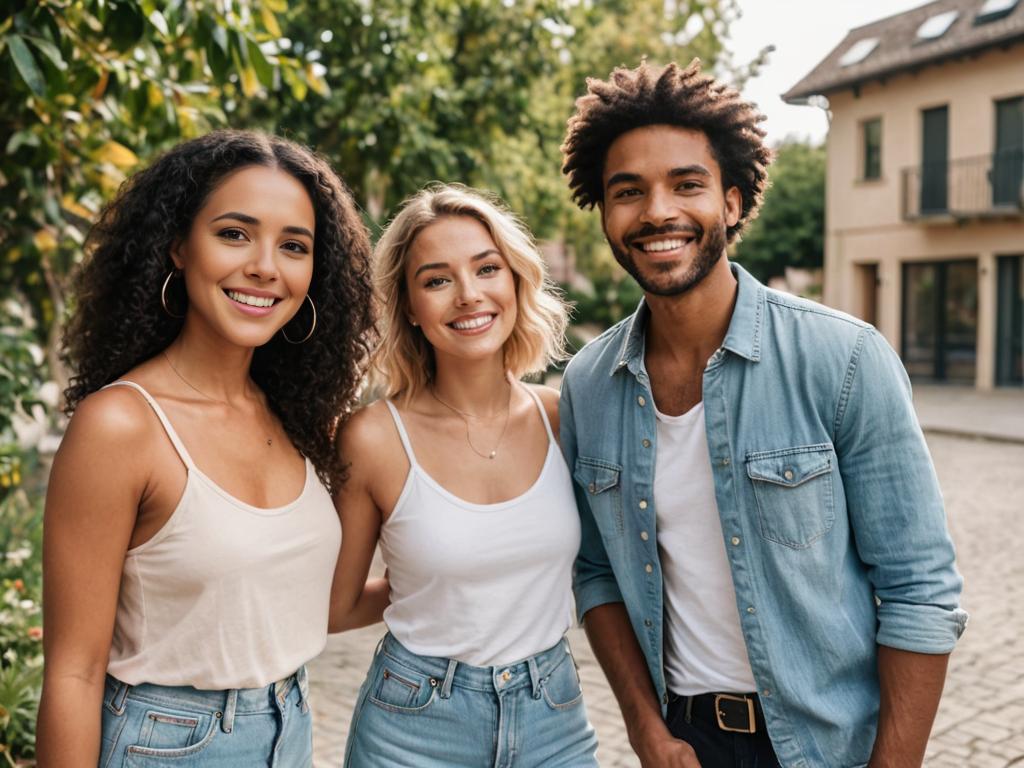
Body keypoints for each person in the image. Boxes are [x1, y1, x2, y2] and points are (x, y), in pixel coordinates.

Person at [558, 60, 967, 768]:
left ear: (734, 202)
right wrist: (646, 730)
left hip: (828, 746)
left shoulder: (842, 359)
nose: (658, 212)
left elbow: (919, 590)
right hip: (684, 742)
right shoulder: (590, 383)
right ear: (603, 212)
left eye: (687, 184)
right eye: (628, 192)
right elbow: (595, 573)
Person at [36, 129, 375, 766]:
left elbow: (287, 602)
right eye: (234, 233)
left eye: (293, 246)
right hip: (165, 743)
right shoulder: (121, 426)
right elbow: (72, 675)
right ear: (178, 248)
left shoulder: (296, 416)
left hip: (292, 730)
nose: (265, 267)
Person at [329, 183, 599, 767]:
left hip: (552, 713)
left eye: (487, 269)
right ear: (409, 307)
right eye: (437, 279)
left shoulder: (563, 417)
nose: (469, 295)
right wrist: (432, 587)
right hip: (415, 724)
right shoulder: (373, 438)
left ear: (517, 281)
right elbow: (338, 605)